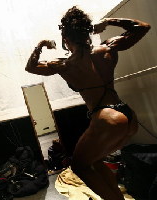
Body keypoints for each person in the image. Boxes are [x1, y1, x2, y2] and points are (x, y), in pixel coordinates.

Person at [25, 6, 150, 200]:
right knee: (96, 160)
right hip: (127, 115)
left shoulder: (64, 63)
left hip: (106, 118)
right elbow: (142, 27)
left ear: (65, 39)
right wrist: (108, 21)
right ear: (88, 32)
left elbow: (31, 67)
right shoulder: (108, 47)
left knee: (78, 166)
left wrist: (40, 45)